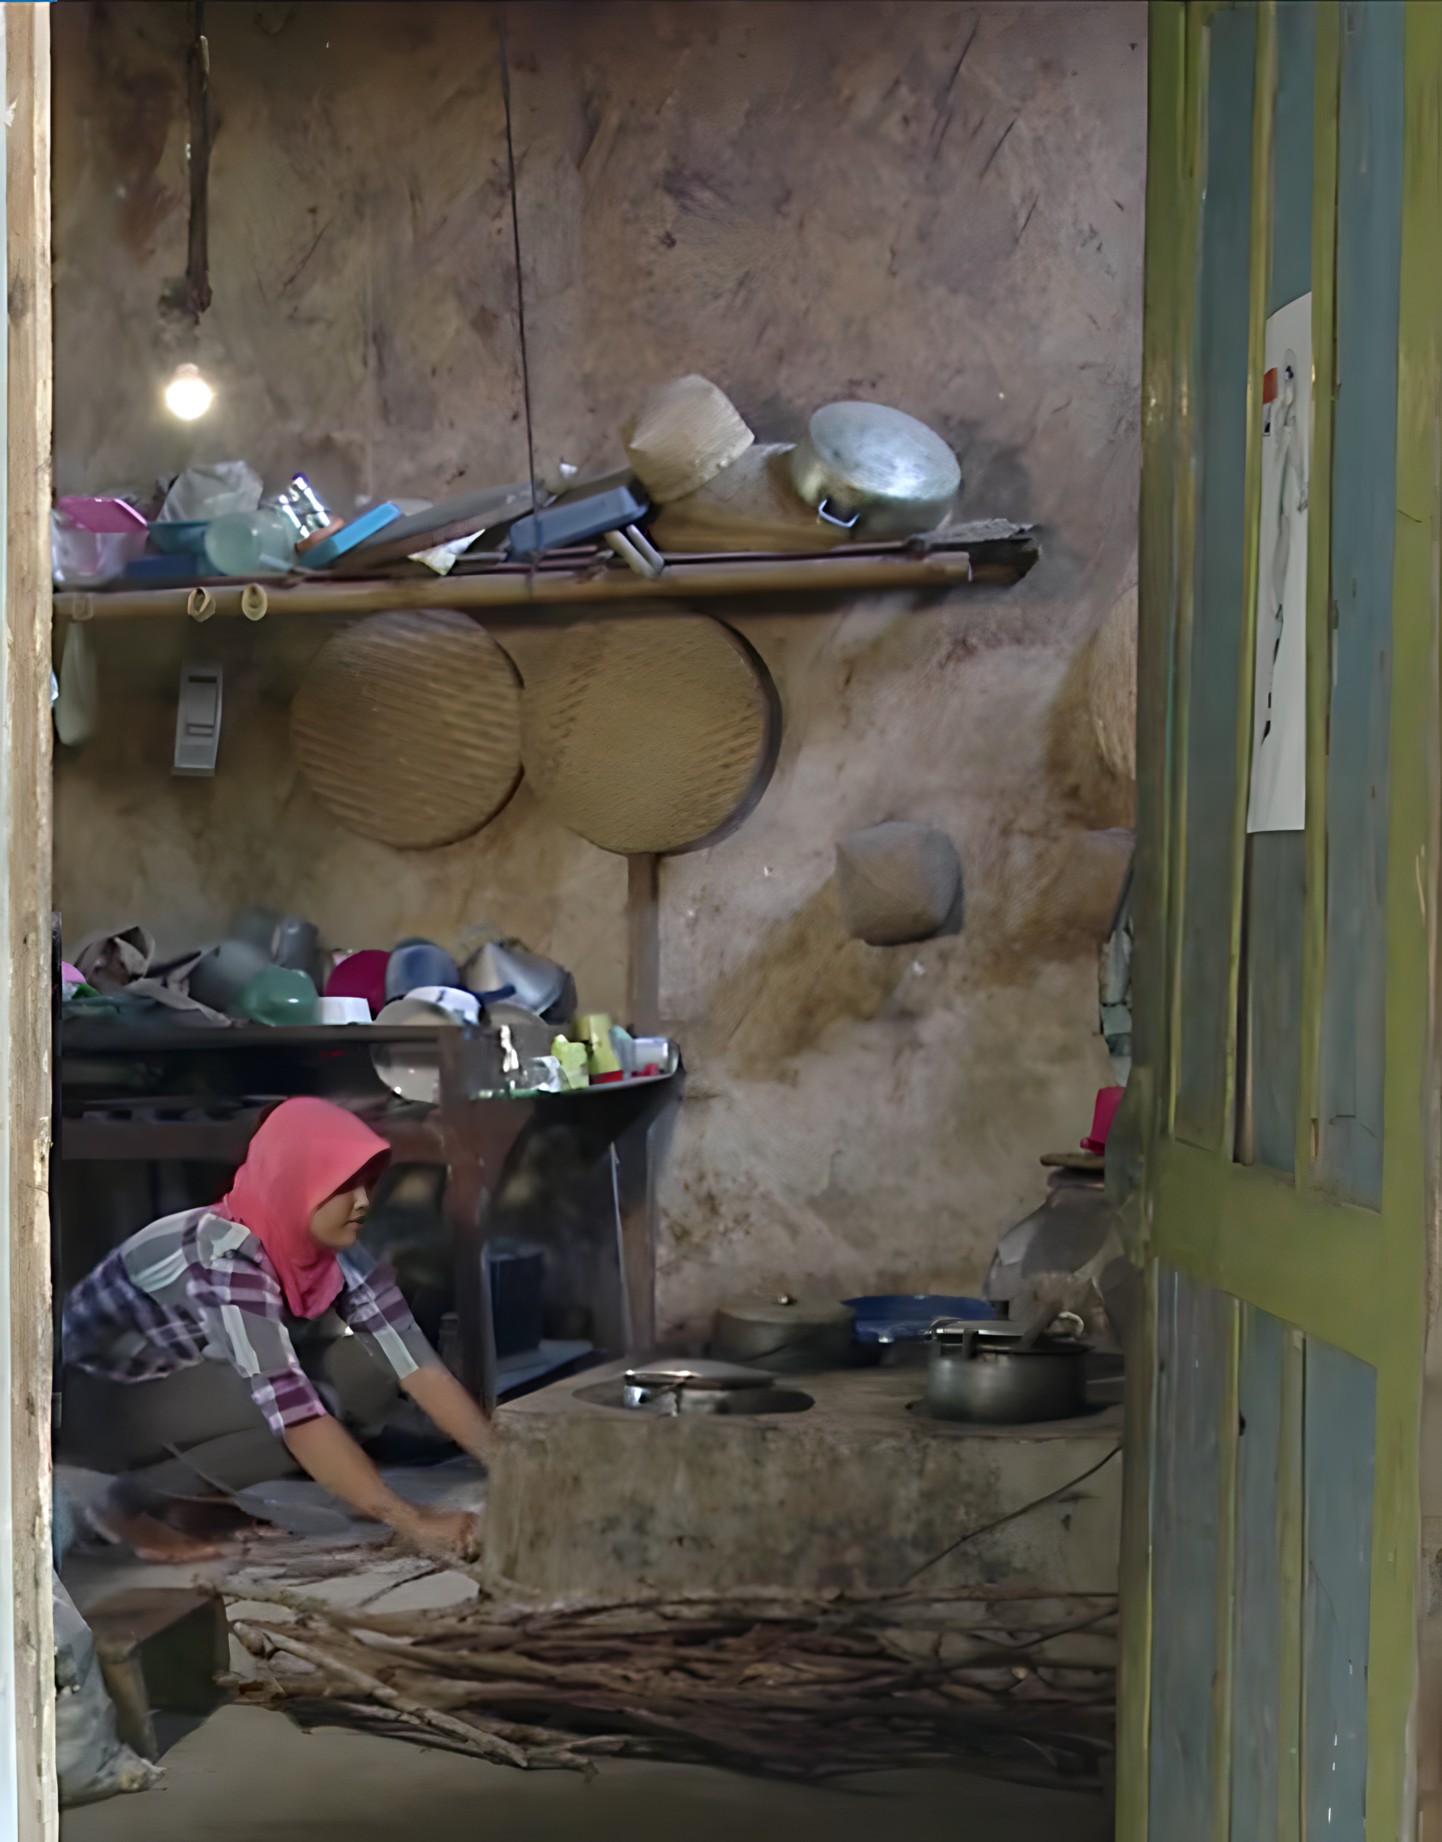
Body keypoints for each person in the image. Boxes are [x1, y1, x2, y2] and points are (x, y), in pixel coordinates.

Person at [60, 1097, 493, 1563]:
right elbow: (294, 1413)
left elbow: (418, 1365)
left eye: (367, 1183)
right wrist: (413, 1522)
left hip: (176, 1382)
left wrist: (511, 1466)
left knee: (359, 1374)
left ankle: (189, 1499)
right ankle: (125, 1504)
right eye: (343, 1186)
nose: (364, 1201)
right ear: (295, 1184)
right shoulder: (229, 1256)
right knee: (299, 1414)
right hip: (91, 1403)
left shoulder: (335, 1250)